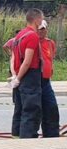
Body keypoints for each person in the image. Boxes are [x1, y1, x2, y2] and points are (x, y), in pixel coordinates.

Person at [10, 8, 45, 139]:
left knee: (19, 109)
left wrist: (15, 76)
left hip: (20, 76)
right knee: (31, 110)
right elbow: (27, 61)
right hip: (30, 77)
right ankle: (28, 139)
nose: (42, 22)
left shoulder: (19, 36)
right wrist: (18, 78)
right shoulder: (32, 36)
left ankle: (16, 135)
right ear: (36, 20)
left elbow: (13, 57)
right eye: (41, 19)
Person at [37, 20, 59, 138]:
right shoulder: (33, 41)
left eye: (43, 29)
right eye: (40, 29)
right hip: (35, 80)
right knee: (36, 109)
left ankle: (51, 135)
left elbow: (51, 58)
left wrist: (51, 68)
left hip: (46, 80)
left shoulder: (50, 43)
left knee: (51, 107)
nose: (42, 31)